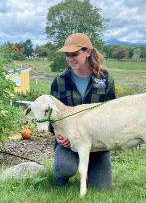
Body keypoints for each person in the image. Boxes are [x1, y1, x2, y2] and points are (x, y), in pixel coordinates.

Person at [50, 33, 117, 189]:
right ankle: (64, 175)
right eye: (67, 55)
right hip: (70, 142)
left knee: (102, 188)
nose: (70, 58)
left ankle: (89, 171)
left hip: (99, 143)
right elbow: (51, 116)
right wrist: (58, 135)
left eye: (74, 54)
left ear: (87, 52)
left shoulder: (105, 79)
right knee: (63, 168)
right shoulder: (59, 81)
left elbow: (114, 112)